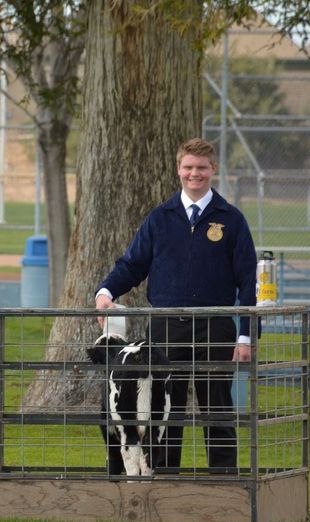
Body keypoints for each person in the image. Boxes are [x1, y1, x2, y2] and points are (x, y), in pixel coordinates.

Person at [94, 137, 257, 473]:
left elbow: (247, 281)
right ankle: (166, 477)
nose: (193, 174)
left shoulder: (231, 220)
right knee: (165, 407)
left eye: (201, 168)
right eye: (188, 167)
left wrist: (246, 337)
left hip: (215, 325)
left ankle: (224, 480)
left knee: (217, 405)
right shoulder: (160, 219)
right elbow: (133, 264)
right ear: (178, 169)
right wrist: (106, 291)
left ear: (213, 170)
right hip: (167, 326)